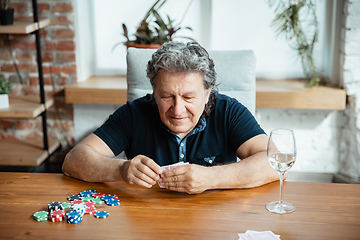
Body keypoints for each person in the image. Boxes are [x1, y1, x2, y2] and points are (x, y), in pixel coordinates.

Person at [62, 41, 279, 194]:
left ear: (207, 95)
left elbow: (275, 162)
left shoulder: (229, 111)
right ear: (154, 92)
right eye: (167, 96)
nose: (177, 110)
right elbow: (73, 161)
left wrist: (213, 177)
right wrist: (121, 169)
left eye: (188, 97)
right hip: (147, 222)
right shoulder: (133, 114)